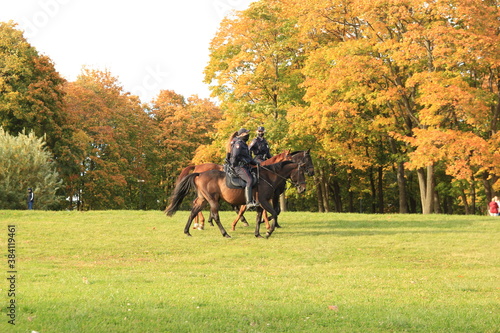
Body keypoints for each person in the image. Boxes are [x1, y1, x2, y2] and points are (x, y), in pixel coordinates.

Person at [230, 128, 259, 208]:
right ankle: (248, 202)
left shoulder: (243, 143)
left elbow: (247, 157)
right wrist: (235, 165)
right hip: (239, 166)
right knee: (249, 180)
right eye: (246, 133)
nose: (247, 135)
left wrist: (256, 163)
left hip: (245, 165)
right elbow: (236, 156)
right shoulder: (238, 143)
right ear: (242, 134)